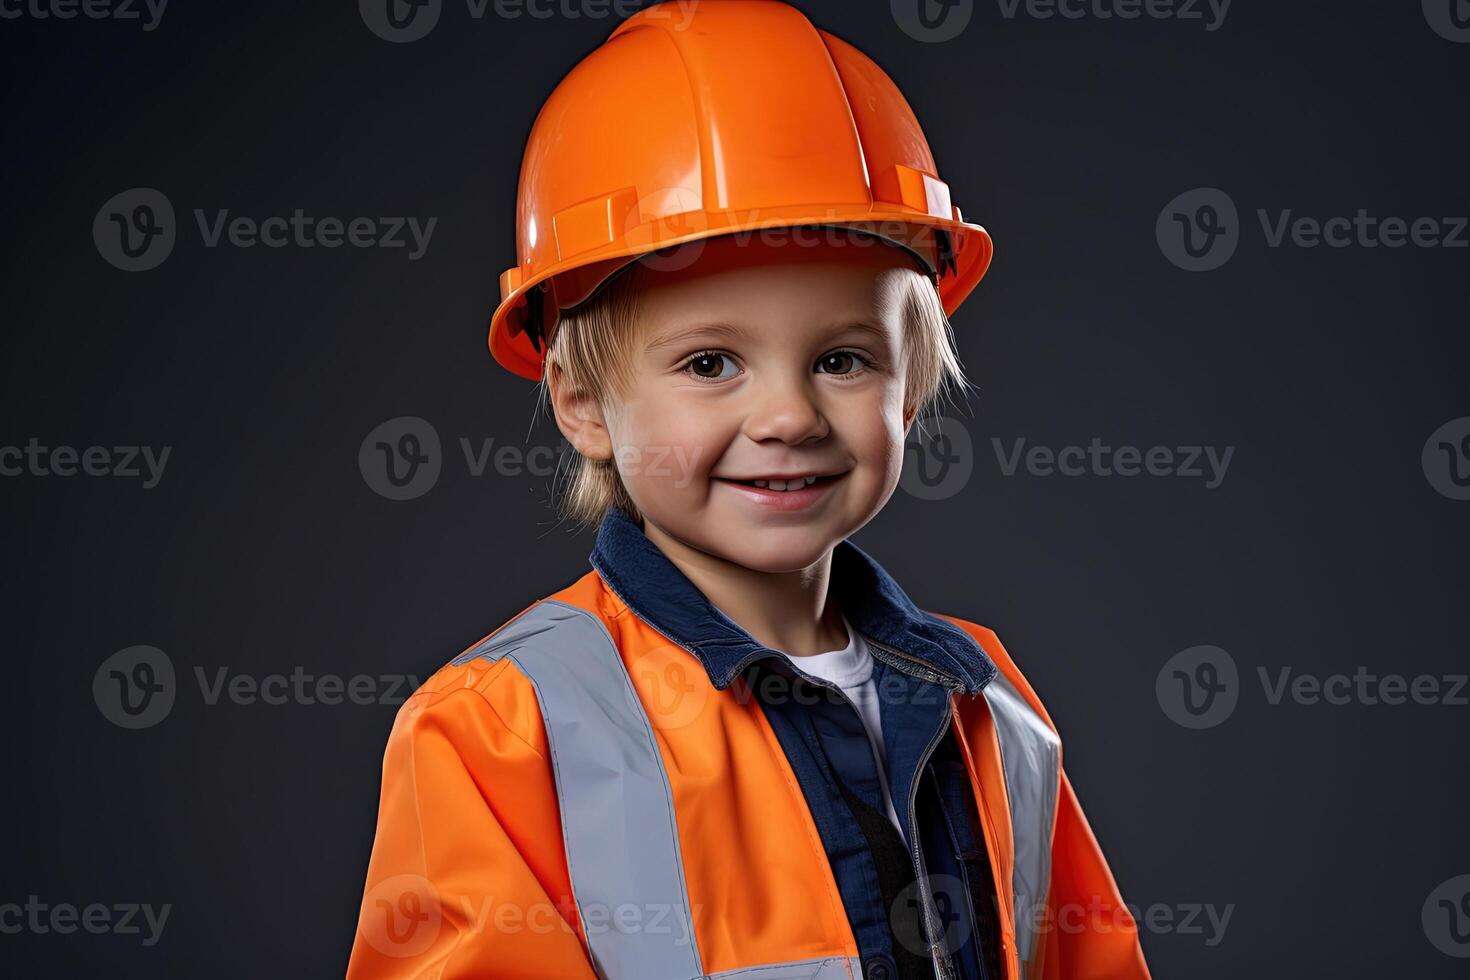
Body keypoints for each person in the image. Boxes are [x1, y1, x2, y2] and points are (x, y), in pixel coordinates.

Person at [347, 3, 1151, 978]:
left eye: (844, 358)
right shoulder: (500, 730)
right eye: (712, 362)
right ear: (582, 401)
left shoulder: (986, 698)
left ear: (913, 388)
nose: (789, 415)